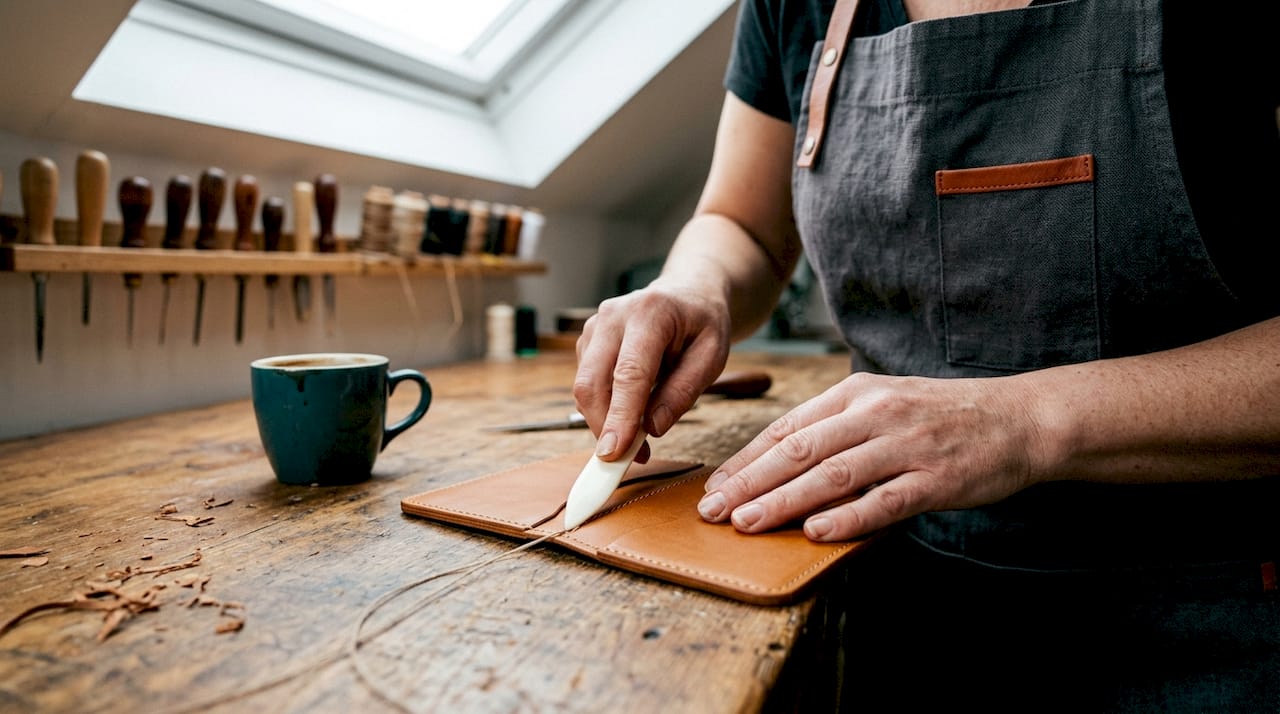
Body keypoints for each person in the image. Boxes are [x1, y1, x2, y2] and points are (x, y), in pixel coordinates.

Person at [572, 0, 1280, 710]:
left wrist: (1022, 421)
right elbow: (741, 224)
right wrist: (695, 285)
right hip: (892, 587)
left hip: (1211, 610)